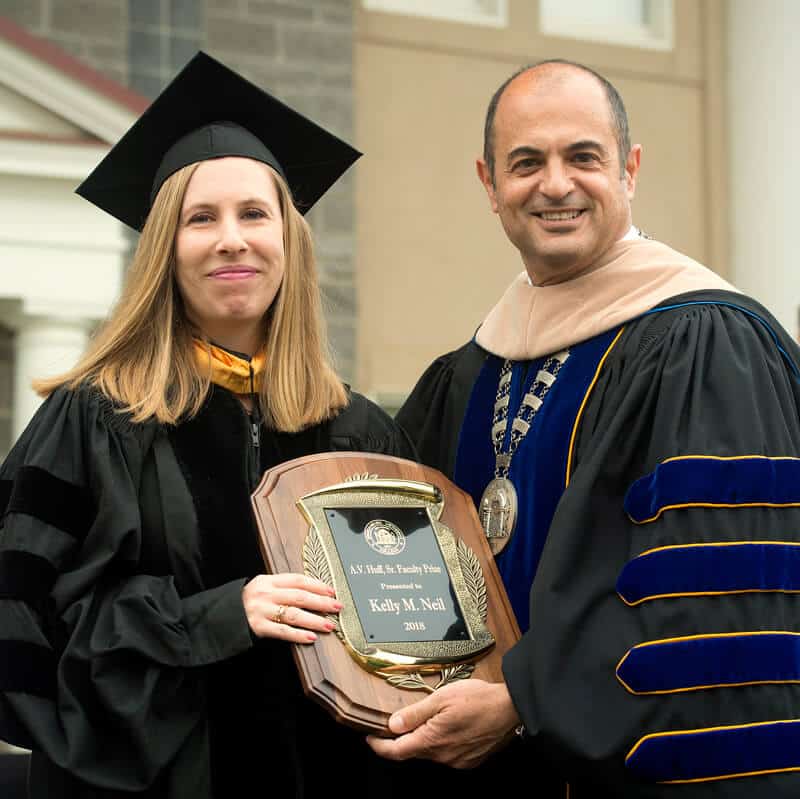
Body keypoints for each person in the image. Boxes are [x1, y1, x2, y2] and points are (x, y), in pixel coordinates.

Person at [0, 52, 431, 798]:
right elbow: (27, 631)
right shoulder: (95, 418)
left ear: (289, 242)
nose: (231, 238)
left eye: (254, 213)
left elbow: (412, 634)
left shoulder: (360, 433)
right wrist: (217, 615)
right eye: (201, 218)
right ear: (165, 250)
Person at [369, 59, 800, 797]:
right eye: (527, 162)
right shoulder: (469, 371)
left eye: (584, 156)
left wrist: (523, 702)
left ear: (630, 169)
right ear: (488, 182)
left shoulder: (707, 341)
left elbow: (713, 604)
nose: (556, 184)